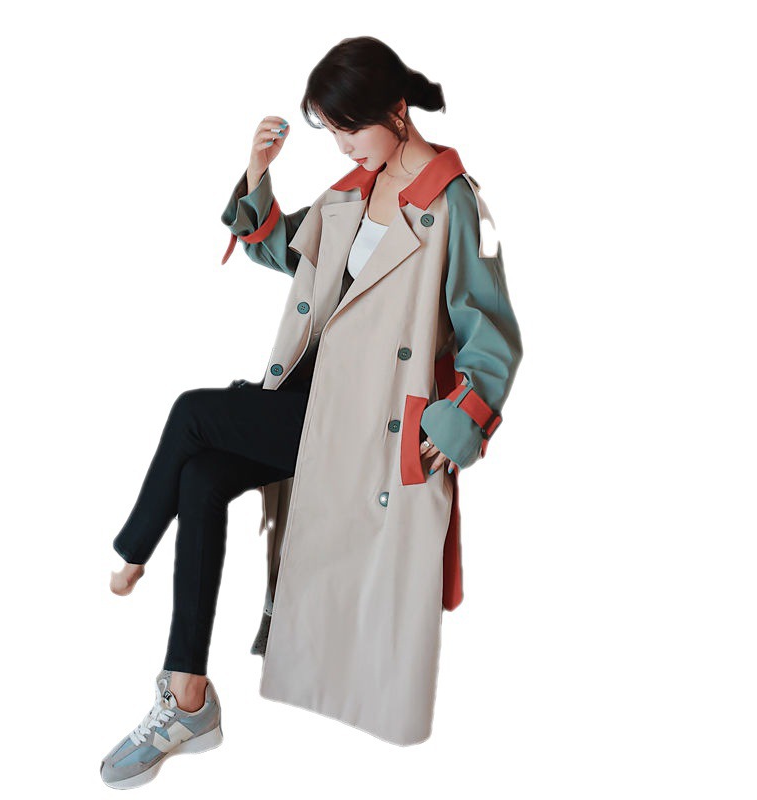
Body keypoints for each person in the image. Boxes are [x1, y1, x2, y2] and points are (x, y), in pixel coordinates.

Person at [101, 35, 522, 785]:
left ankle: (133, 548)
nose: (342, 146)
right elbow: (288, 253)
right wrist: (257, 174)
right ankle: (187, 697)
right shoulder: (353, 190)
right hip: (309, 400)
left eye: (349, 128)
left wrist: (459, 419)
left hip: (365, 422)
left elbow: (492, 331)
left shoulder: (454, 202)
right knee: (200, 476)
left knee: (193, 414)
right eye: (330, 131)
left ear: (396, 110)